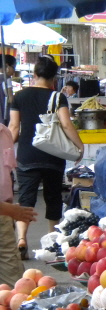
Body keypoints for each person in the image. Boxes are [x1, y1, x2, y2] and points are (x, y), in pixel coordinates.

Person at [8, 56, 84, 260]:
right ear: (55, 77)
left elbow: (14, 128)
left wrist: (4, 149)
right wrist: (79, 146)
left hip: (26, 154)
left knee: (26, 197)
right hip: (52, 154)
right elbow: (66, 125)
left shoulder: (20, 96)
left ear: (34, 74)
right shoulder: (58, 97)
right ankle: (52, 242)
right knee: (53, 198)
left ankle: (21, 239)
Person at [0, 122, 37, 286]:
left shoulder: (4, 132)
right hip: (4, 211)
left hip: (4, 215)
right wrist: (9, 210)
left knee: (14, 285)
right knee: (15, 284)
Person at [0, 54, 17, 125]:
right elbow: (10, 99)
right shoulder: (6, 78)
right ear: (7, 66)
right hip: (3, 116)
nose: (14, 71)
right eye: (14, 67)